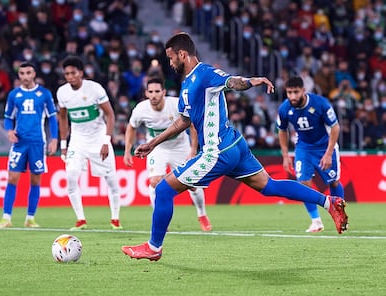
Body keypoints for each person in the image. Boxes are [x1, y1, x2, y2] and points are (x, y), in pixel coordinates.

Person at [121, 32, 348, 261]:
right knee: (270, 186)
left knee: (163, 190)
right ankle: (329, 202)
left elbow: (231, 82)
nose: (170, 64)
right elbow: (183, 120)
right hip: (234, 145)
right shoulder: (187, 85)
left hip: (217, 150)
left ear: (182, 54)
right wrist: (153, 143)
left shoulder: (205, 73)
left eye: (171, 58)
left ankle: (154, 247)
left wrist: (251, 81)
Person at [123, 77, 212, 231]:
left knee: (192, 184)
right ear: (146, 93)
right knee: (154, 182)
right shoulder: (140, 109)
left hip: (180, 147)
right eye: (150, 92)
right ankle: (159, 219)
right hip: (156, 148)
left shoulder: (176, 104)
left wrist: (192, 150)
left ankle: (202, 214)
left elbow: (192, 125)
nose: (154, 95)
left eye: (157, 91)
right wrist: (127, 151)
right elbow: (131, 127)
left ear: (164, 92)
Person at [56, 56, 122, 231]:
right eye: (67, 74)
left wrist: (106, 141)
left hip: (98, 138)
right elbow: (62, 118)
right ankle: (80, 220)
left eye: (73, 73)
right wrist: (63, 145)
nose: (70, 77)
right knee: (70, 176)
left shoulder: (94, 89)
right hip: (77, 141)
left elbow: (110, 114)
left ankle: (115, 220)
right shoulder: (62, 92)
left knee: (111, 180)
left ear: (81, 73)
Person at [277, 76, 345, 233]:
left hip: (325, 146)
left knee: (333, 182)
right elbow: (282, 130)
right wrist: (285, 155)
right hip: (303, 148)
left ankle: (340, 213)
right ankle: (316, 221)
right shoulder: (284, 108)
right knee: (303, 184)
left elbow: (335, 128)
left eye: (295, 92)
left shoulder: (320, 104)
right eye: (289, 92)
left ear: (303, 90)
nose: (292, 96)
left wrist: (328, 154)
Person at [0, 62, 58, 228]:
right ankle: (6, 217)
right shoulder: (14, 95)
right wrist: (9, 131)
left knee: (36, 180)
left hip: (38, 142)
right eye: (22, 73)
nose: (25, 76)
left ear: (34, 74)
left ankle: (30, 218)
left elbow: (52, 117)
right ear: (19, 75)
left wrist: (54, 139)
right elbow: (8, 117)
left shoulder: (44, 94)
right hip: (19, 142)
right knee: (12, 178)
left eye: (28, 73)